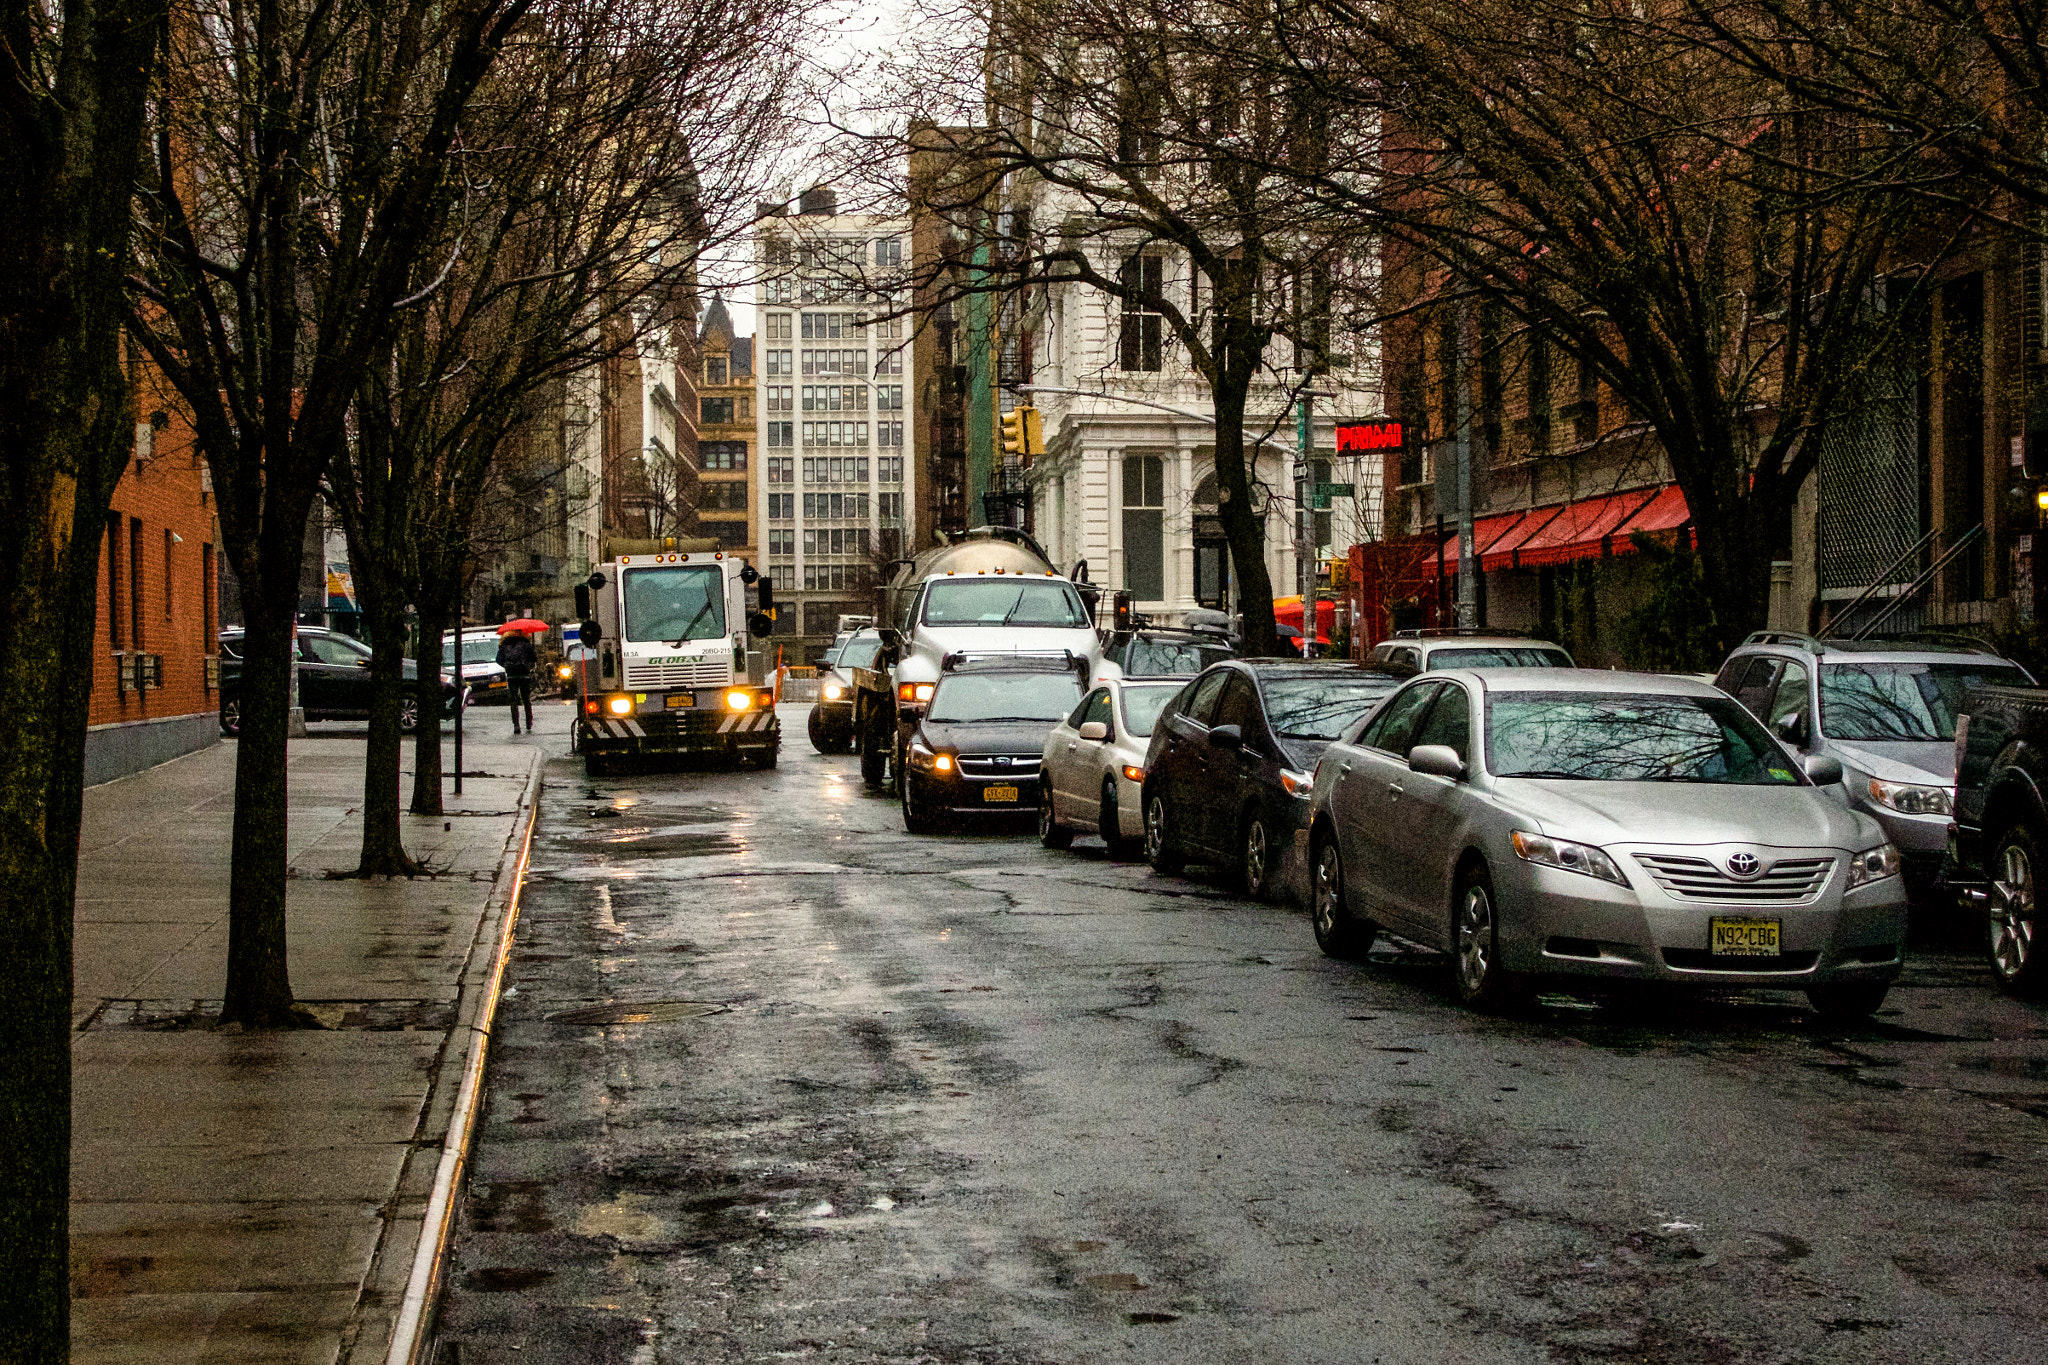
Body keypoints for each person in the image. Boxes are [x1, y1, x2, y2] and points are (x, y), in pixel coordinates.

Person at [496, 628, 537, 734]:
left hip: (511, 675)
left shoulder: (504, 644)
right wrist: (528, 665)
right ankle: (529, 722)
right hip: (524, 674)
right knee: (526, 699)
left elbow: (498, 659)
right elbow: (533, 657)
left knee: (513, 700)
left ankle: (516, 725)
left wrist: (507, 666)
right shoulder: (526, 643)